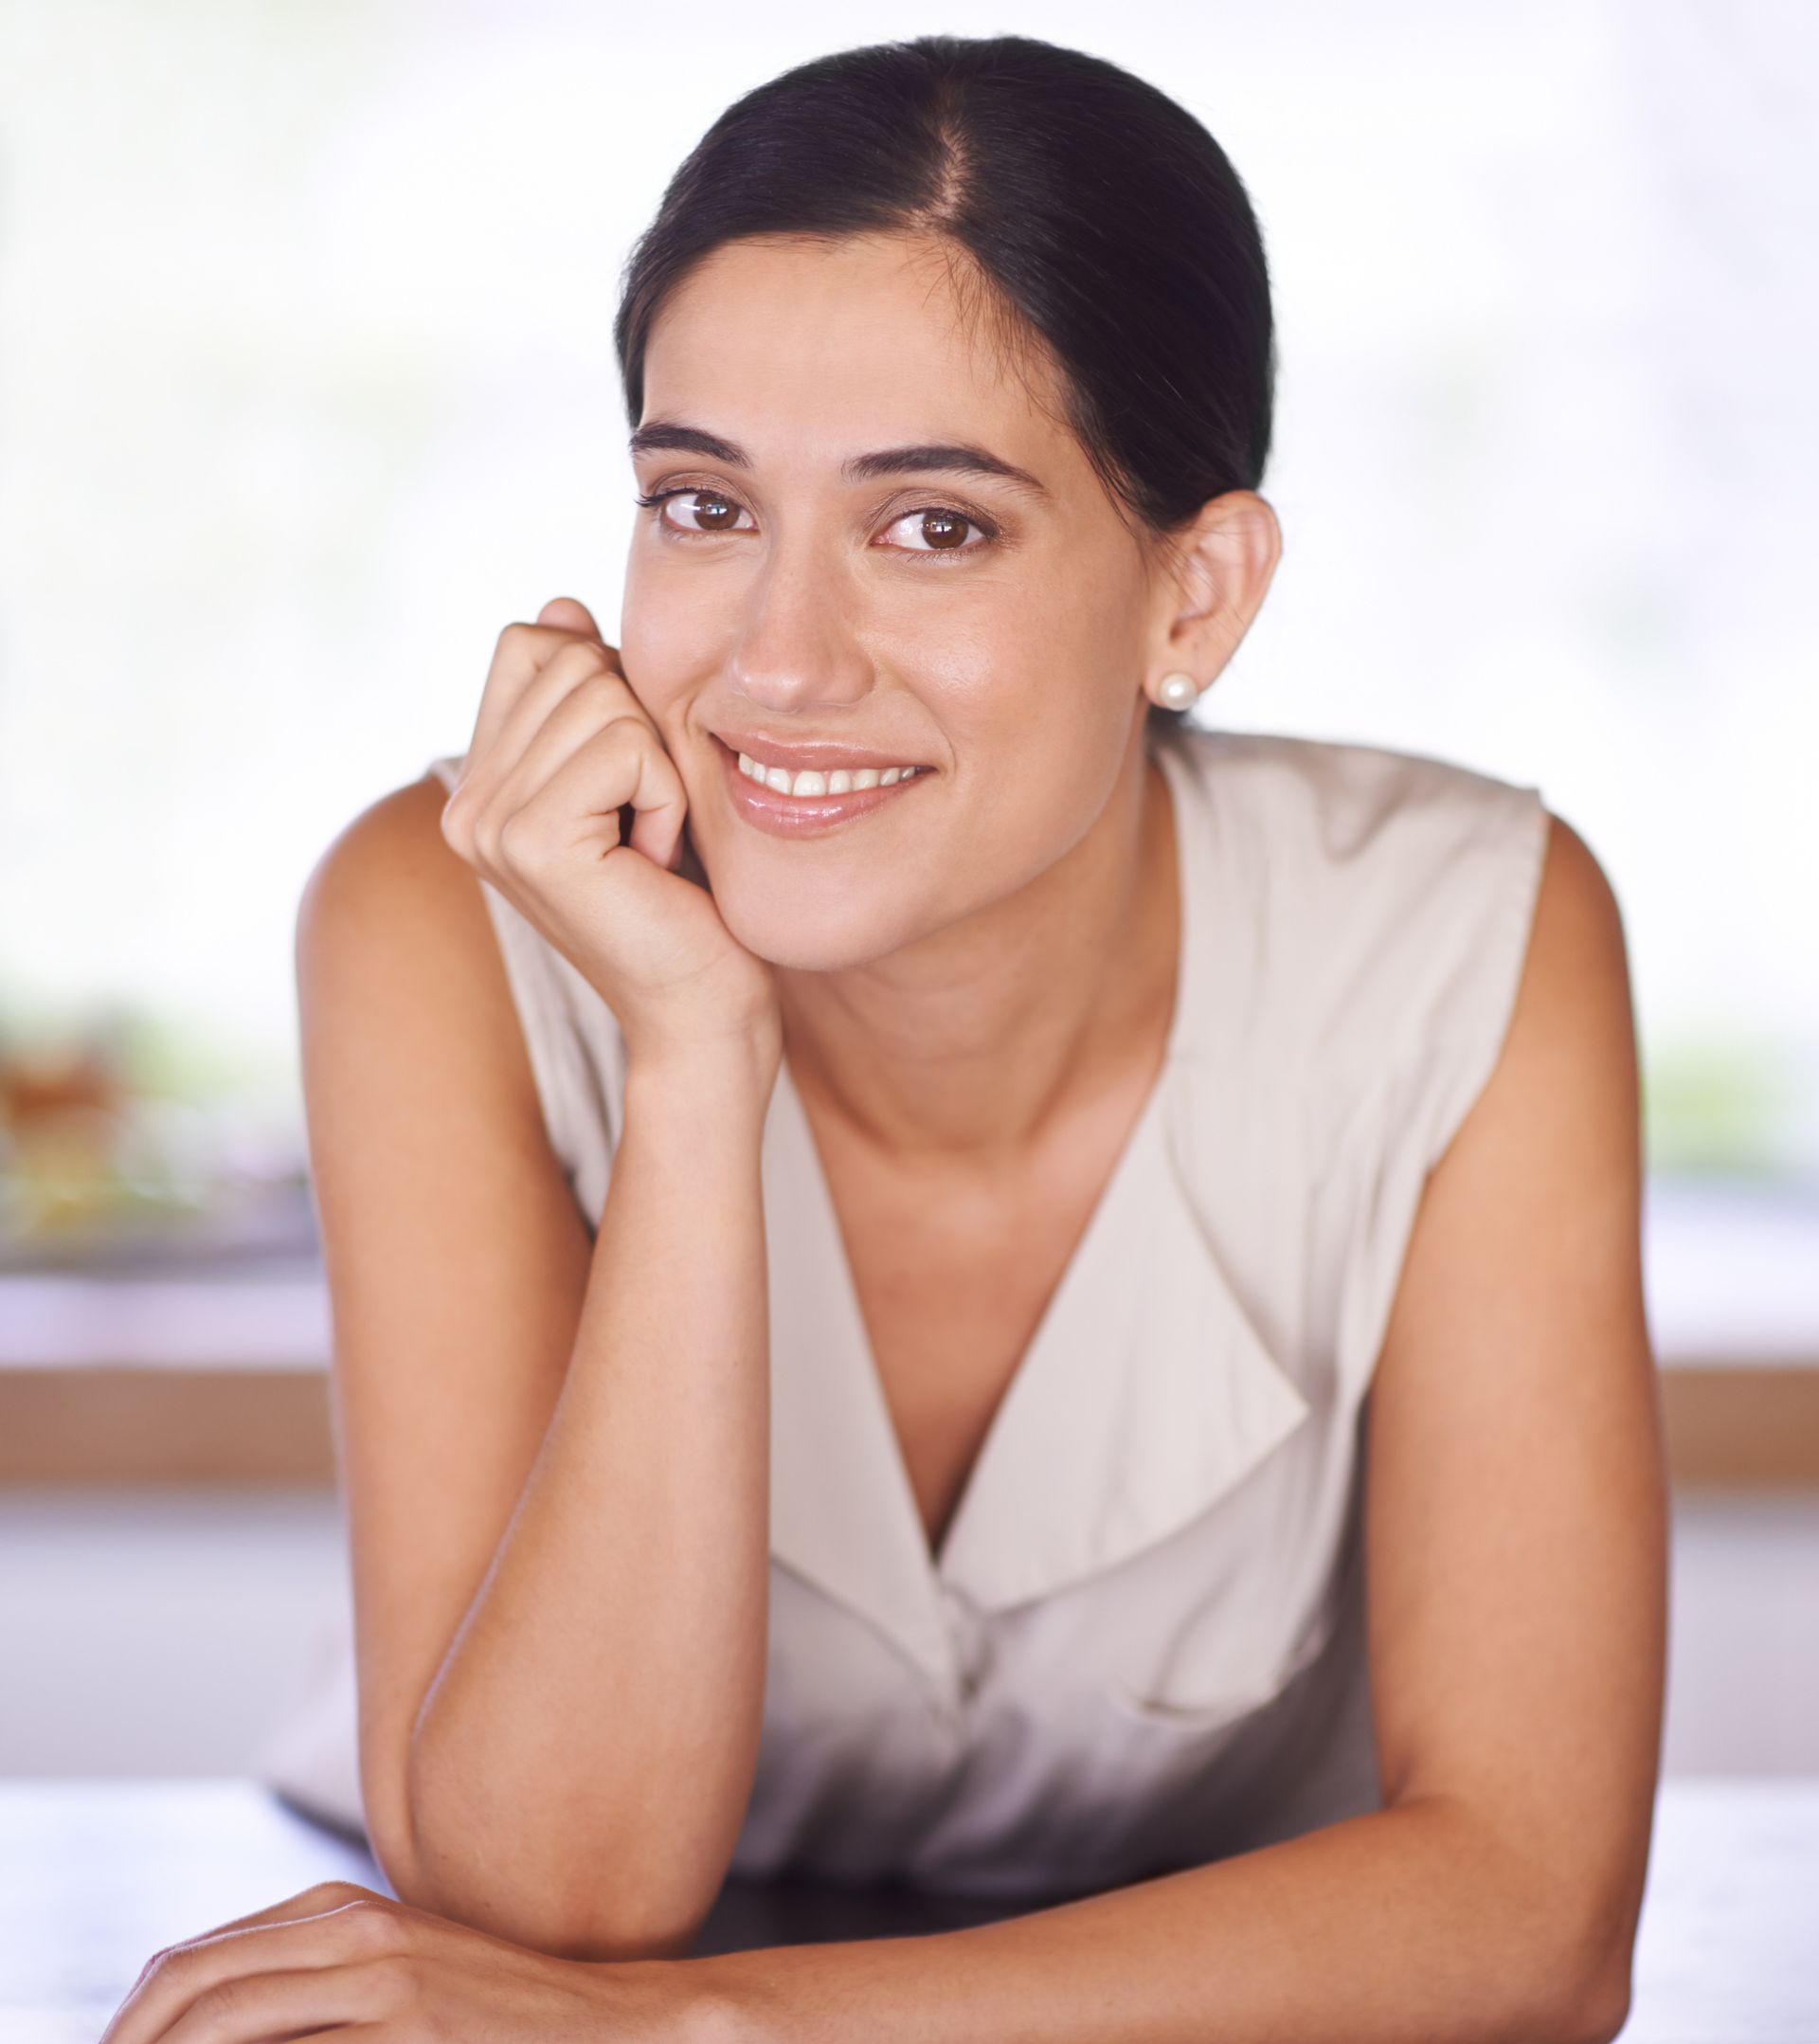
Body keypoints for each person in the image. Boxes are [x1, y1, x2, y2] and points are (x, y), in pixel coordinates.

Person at [110, 31, 1666, 2044]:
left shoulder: (1476, 936)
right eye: (700, 503)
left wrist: (723, 2031)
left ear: (1192, 595)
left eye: (932, 525)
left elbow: (1533, 1924)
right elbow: (546, 1901)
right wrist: (688, 1058)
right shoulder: (443, 913)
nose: (775, 658)